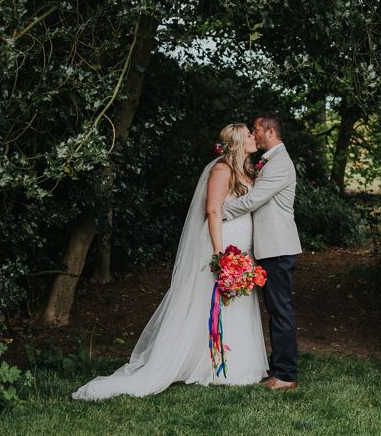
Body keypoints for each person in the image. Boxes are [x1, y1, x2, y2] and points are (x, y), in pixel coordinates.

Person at [72, 123, 268, 401]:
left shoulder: (246, 171)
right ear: (238, 141)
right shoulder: (221, 170)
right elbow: (212, 211)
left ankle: (235, 366)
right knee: (209, 303)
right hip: (222, 245)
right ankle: (207, 364)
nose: (253, 137)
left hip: (242, 249)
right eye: (249, 134)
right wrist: (219, 252)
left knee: (237, 303)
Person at [222, 113, 301, 390]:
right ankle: (279, 367)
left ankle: (287, 374)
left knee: (280, 310)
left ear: (269, 131)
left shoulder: (280, 163)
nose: (253, 135)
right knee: (276, 309)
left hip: (278, 248)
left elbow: (253, 200)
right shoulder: (271, 161)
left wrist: (219, 211)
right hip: (272, 248)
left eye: (256, 130)